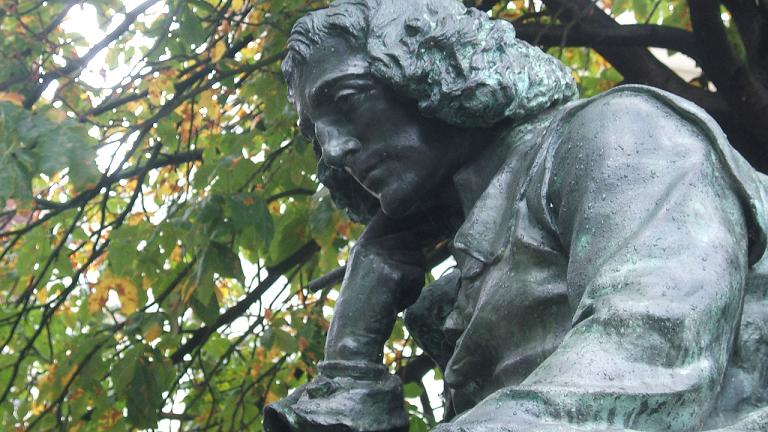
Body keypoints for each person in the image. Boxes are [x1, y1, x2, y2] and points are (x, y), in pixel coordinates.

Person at [264, 0, 768, 430]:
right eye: (316, 136)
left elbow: (651, 357)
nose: (333, 151)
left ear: (430, 66)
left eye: (346, 100)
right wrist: (351, 357)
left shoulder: (620, 133)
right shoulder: (471, 274)